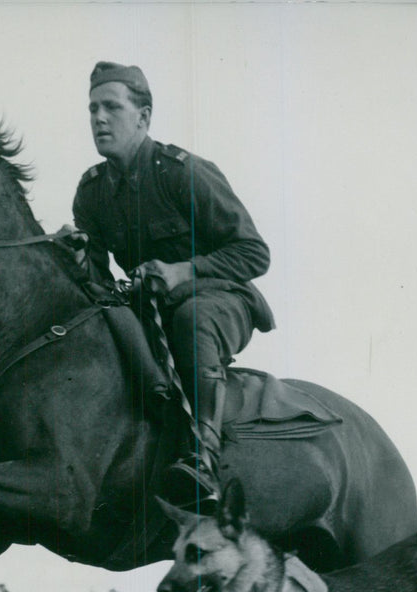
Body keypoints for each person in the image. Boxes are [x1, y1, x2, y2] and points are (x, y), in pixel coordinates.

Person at [73, 61, 275, 507]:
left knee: (192, 319)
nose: (98, 119)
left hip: (221, 299)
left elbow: (254, 253)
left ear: (142, 117)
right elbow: (98, 280)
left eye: (111, 107)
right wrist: (75, 257)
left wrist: (183, 271)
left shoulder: (183, 171)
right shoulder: (91, 192)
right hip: (150, 308)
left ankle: (203, 455)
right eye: (92, 109)